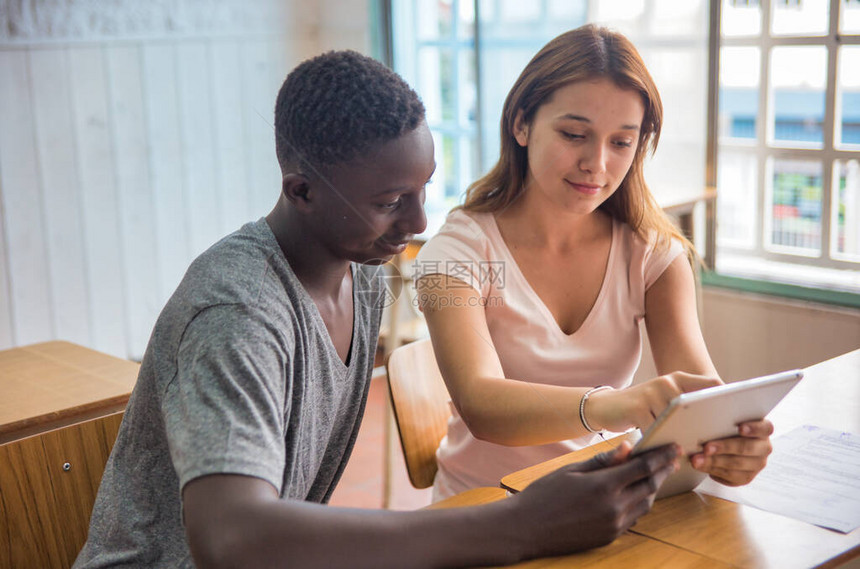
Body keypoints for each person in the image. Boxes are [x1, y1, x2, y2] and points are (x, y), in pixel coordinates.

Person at [74, 49, 683, 569]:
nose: (419, 223)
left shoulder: (360, 277)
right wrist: (518, 524)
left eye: (423, 190)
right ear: (302, 191)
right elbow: (231, 537)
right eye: (392, 200)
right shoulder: (240, 310)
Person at [414, 24, 774, 500]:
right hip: (485, 513)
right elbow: (480, 404)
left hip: (598, 505)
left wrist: (725, 447)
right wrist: (614, 406)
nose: (596, 163)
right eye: (573, 134)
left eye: (621, 142)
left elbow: (697, 398)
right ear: (521, 124)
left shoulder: (654, 254)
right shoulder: (454, 253)